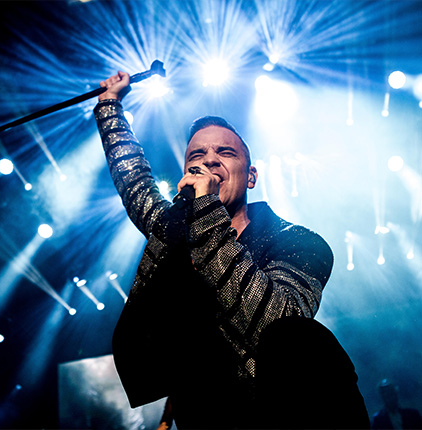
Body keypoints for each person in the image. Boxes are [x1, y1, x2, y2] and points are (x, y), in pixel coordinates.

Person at [94, 71, 370, 429]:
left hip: (281, 412)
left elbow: (278, 327)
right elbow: (132, 177)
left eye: (225, 152)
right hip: (206, 413)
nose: (209, 160)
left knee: (300, 338)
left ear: (251, 176)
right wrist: (108, 104)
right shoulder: (172, 231)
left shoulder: (299, 242)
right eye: (197, 154)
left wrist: (207, 210)